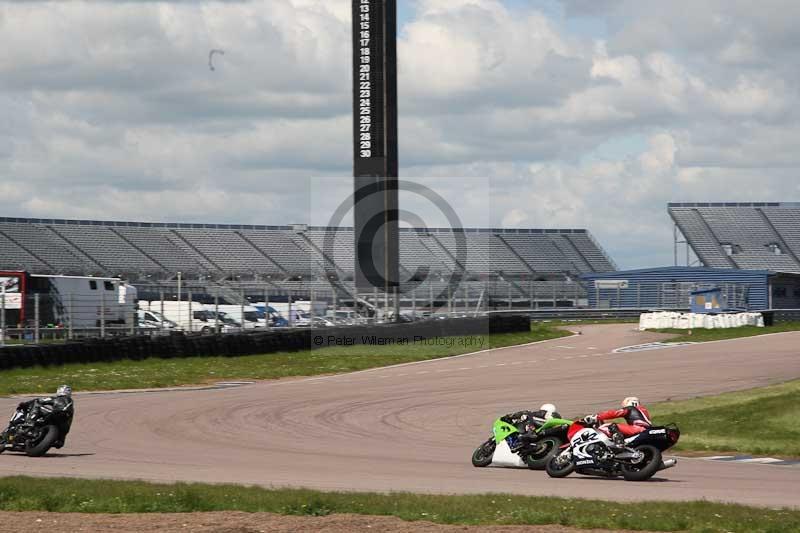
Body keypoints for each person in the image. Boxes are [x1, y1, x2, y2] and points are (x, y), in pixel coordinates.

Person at [2, 384, 74, 449]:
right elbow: (68, 424)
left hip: (54, 416)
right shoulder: (71, 406)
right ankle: (59, 439)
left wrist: (26, 404)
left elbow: (39, 400)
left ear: (59, 391)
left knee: (37, 405)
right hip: (62, 425)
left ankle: (29, 423)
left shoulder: (57, 399)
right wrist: (62, 438)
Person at [584, 396, 651, 446]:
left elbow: (614, 413)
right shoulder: (643, 410)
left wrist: (597, 417)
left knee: (610, 426)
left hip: (637, 429)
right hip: (645, 430)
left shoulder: (630, 408)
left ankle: (619, 444)